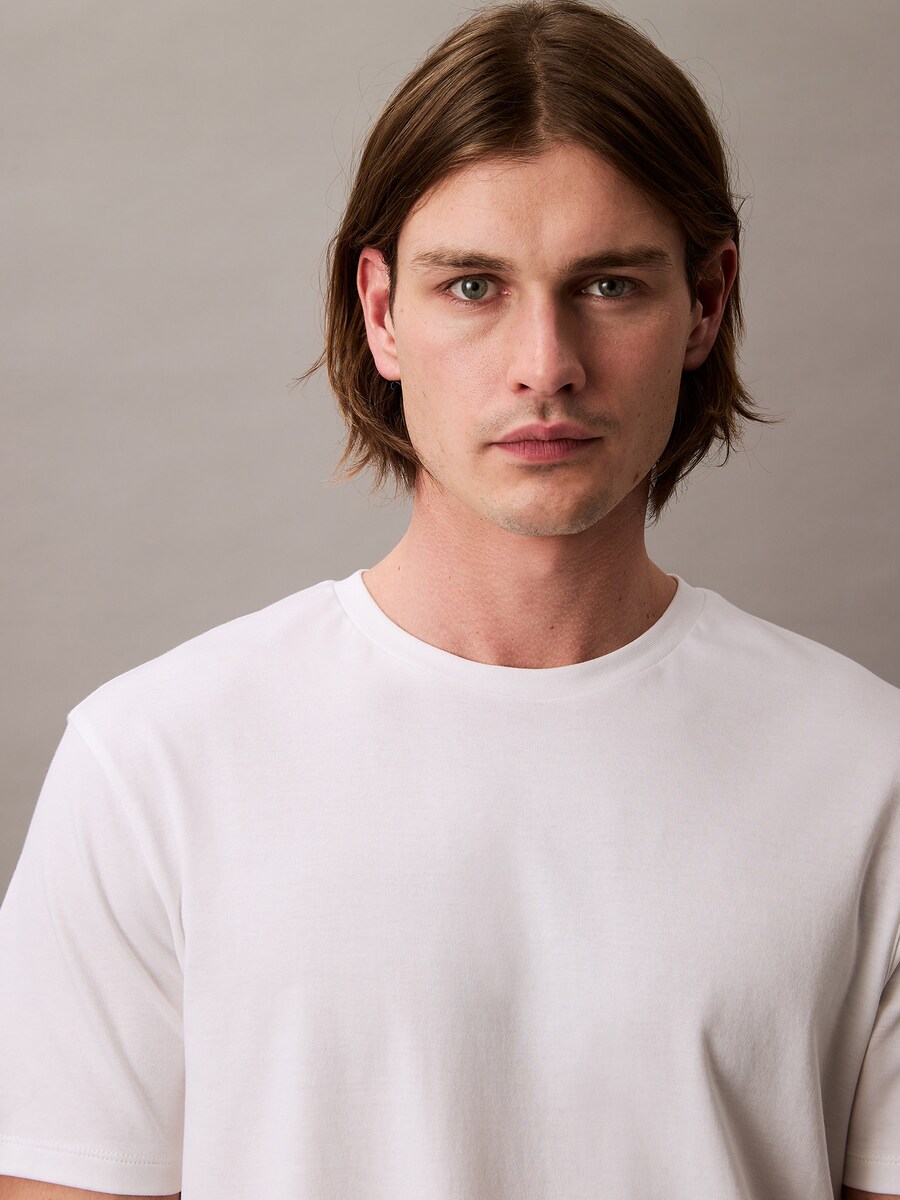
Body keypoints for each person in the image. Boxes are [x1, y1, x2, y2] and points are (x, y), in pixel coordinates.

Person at [0, 1, 897, 1197]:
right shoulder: (154, 763)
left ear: (707, 301)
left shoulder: (867, 770)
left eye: (610, 284)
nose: (545, 364)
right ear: (380, 311)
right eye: (474, 286)